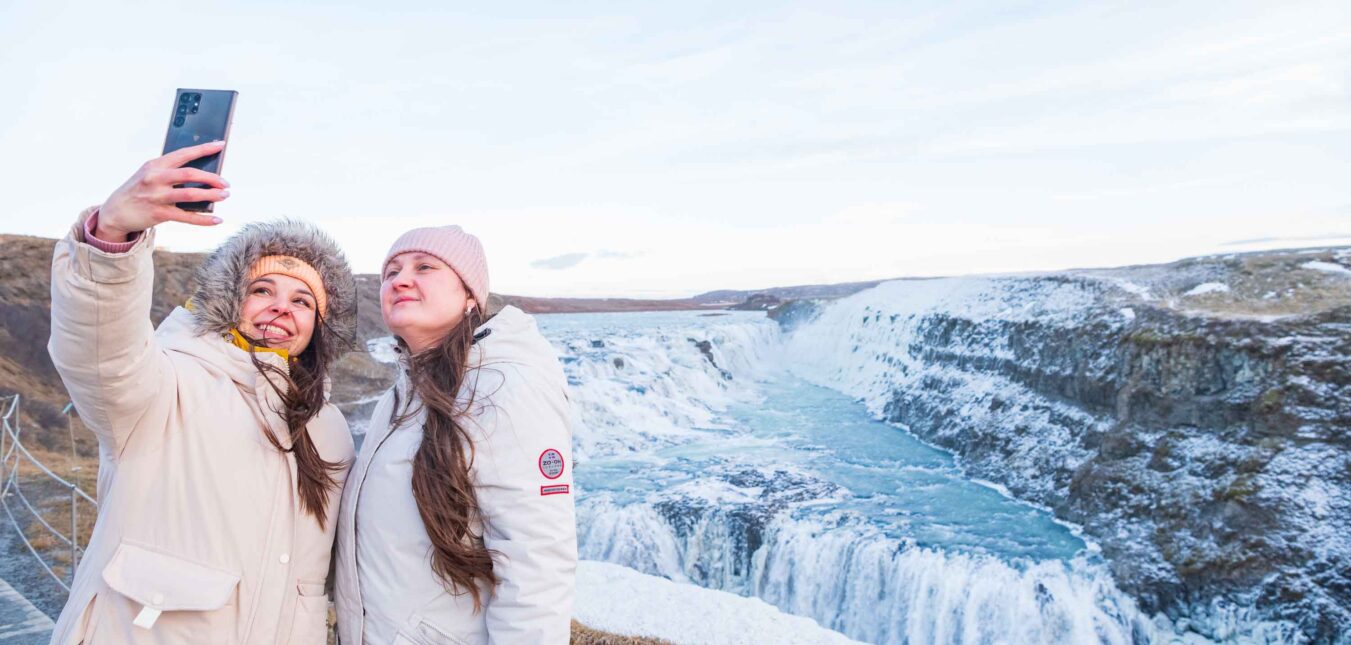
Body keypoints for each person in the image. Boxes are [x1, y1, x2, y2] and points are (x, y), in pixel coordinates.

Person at [46, 141, 358, 644]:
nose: (281, 308)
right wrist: (111, 237)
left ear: (320, 326)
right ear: (228, 302)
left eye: (302, 300)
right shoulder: (167, 385)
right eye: (262, 290)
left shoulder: (330, 428)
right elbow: (102, 351)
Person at [334, 225, 576, 644]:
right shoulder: (398, 398)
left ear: (469, 297)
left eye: (424, 266)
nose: (400, 279)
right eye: (391, 271)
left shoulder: (507, 387)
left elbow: (536, 563)